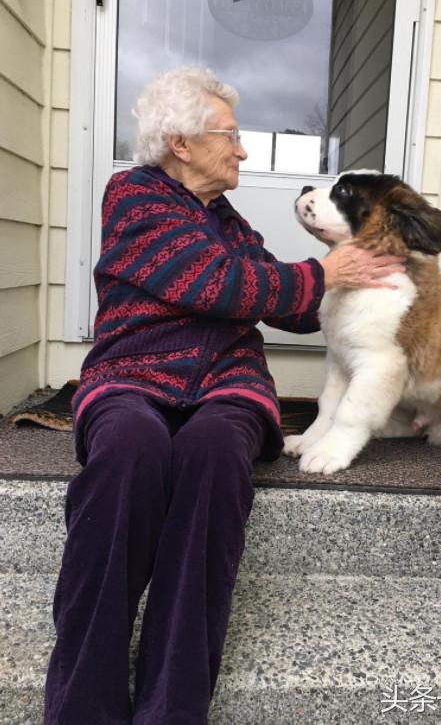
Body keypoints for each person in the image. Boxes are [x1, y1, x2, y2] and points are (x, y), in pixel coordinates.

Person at [43, 66, 406, 725]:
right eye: (231, 136)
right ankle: (81, 708)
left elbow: (286, 304)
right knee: (130, 448)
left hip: (227, 385)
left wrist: (357, 269)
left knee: (213, 449)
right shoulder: (133, 194)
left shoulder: (227, 219)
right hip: (131, 373)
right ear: (182, 142)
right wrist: (320, 273)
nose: (242, 150)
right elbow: (217, 284)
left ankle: (171, 708)